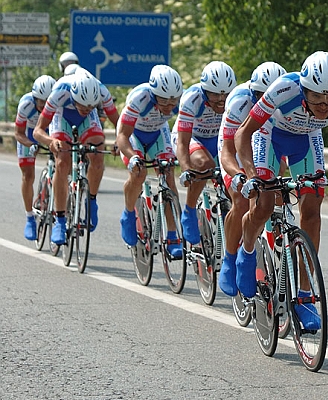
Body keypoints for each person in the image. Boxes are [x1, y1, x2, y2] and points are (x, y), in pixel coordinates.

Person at [233, 51, 328, 329]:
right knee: (263, 205)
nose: (324, 105)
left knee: (312, 209)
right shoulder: (284, 89)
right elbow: (243, 133)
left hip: (307, 140)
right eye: (316, 98)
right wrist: (251, 175)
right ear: (303, 88)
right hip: (270, 136)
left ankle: (304, 295)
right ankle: (247, 251)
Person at [217, 61, 286, 296]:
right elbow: (228, 150)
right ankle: (229, 257)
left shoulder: (287, 102)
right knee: (242, 198)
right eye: (259, 95)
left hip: (266, 144)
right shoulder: (239, 101)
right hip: (236, 147)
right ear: (252, 91)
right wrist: (239, 175)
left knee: (277, 190)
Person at [33, 68, 120, 245]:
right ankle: (60, 219)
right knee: (62, 161)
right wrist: (50, 141)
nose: (86, 109)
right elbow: (38, 130)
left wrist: (120, 141)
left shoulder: (101, 91)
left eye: (91, 106)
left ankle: (91, 201)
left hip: (87, 122)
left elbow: (120, 125)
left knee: (97, 153)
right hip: (62, 116)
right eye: (82, 105)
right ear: (73, 96)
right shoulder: (60, 91)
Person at [117, 64, 185, 258]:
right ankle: (128, 214)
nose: (168, 107)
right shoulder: (139, 98)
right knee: (139, 173)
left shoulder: (179, 99)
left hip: (158, 133)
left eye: (173, 102)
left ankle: (172, 236)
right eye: (164, 101)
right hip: (134, 135)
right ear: (154, 94)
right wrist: (134, 156)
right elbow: (122, 136)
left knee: (169, 176)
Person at [173, 61, 237, 246]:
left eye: (225, 94)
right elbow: (183, 142)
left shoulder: (235, 98)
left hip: (217, 139)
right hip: (192, 138)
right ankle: (189, 210)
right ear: (204, 90)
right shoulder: (192, 98)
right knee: (204, 165)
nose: (221, 99)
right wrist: (186, 169)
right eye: (215, 93)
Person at [14, 74, 56, 240]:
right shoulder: (26, 104)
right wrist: (30, 145)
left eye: (47, 102)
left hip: (49, 133)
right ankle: (30, 216)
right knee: (28, 175)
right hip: (29, 135)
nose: (44, 106)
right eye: (41, 102)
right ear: (34, 98)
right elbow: (18, 133)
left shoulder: (57, 104)